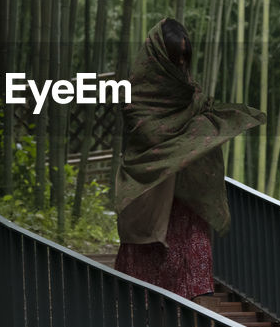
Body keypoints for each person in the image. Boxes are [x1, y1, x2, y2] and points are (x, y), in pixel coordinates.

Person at [113, 18, 266, 301]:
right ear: (159, 56)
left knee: (191, 267)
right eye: (176, 56)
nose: (182, 63)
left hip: (188, 194)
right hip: (153, 192)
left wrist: (200, 133)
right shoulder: (136, 93)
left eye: (186, 56)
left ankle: (189, 324)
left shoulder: (188, 89)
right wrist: (188, 137)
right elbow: (147, 132)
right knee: (150, 269)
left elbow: (198, 123)